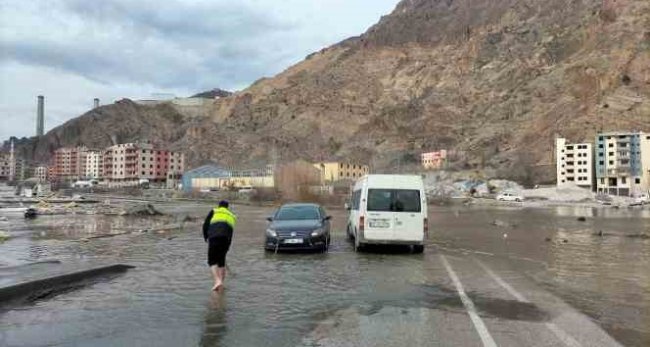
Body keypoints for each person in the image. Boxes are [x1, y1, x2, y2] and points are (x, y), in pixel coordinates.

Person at [202, 200, 237, 291]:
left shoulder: (214, 211)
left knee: (212, 261)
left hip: (214, 237)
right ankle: (221, 283)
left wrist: (206, 237)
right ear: (227, 207)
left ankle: (217, 281)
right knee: (221, 262)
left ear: (219, 206)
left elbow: (205, 225)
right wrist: (228, 246)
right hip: (226, 240)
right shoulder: (231, 216)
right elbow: (231, 232)